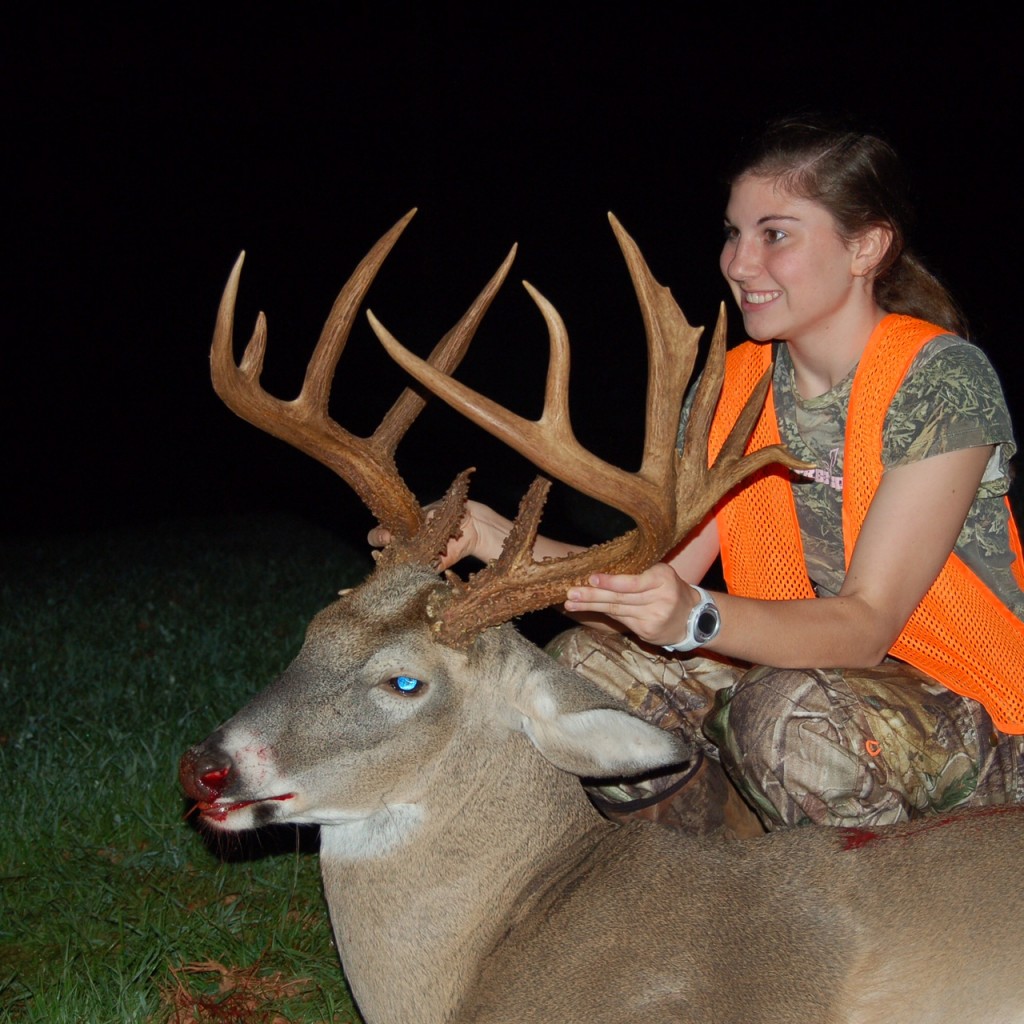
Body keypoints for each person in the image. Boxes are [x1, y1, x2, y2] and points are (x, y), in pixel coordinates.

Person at [373, 117, 1024, 834]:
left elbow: (865, 626)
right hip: (808, 679)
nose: (740, 264)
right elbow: (651, 580)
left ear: (866, 246)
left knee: (782, 717)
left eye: (775, 234)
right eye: (733, 233)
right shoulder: (734, 391)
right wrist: (494, 539)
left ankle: (897, 928)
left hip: (977, 714)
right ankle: (705, 892)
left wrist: (694, 617)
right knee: (591, 666)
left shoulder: (939, 379)